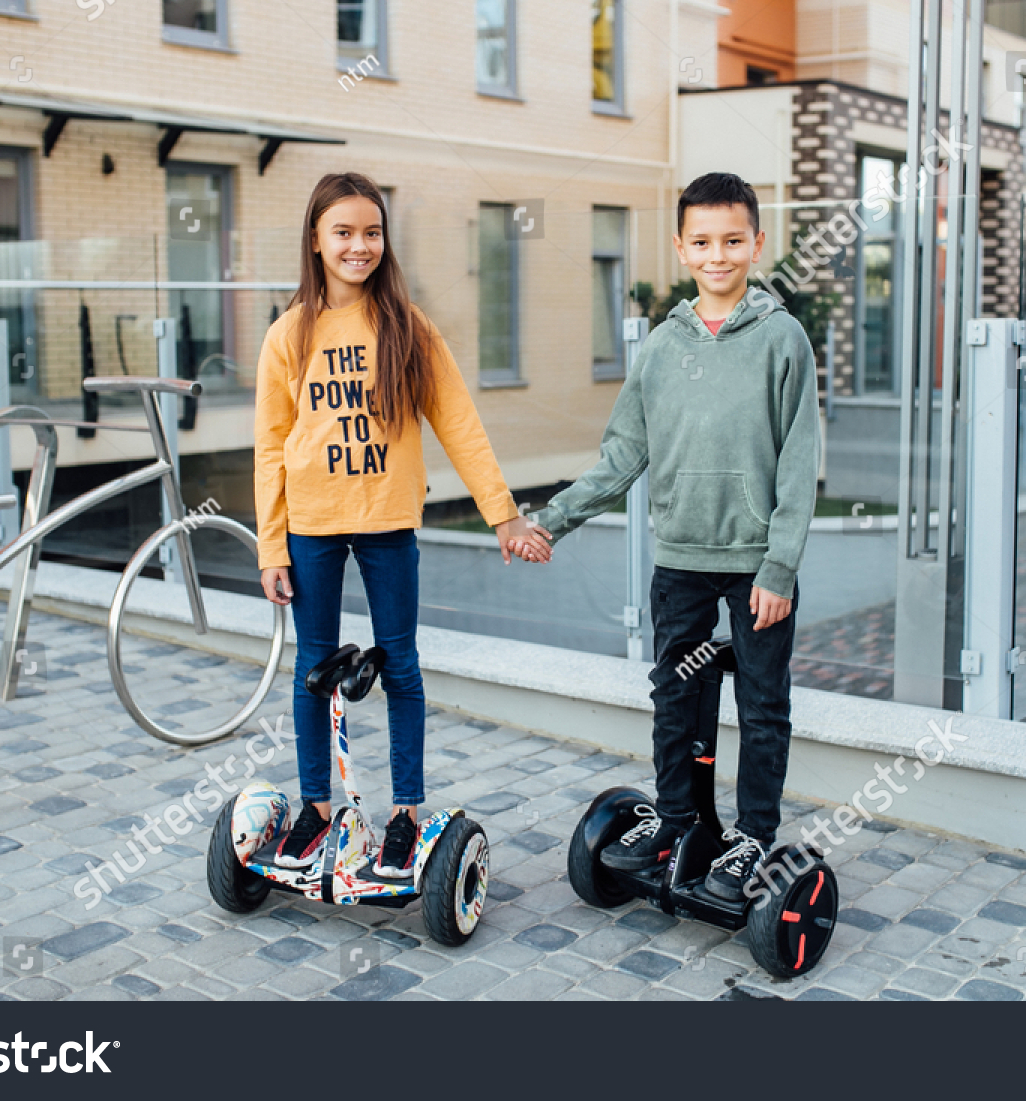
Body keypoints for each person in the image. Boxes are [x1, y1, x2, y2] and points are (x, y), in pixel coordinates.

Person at [510, 171, 820, 902]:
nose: (719, 255)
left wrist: (779, 566)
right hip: (679, 562)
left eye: (734, 240)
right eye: (704, 241)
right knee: (676, 698)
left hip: (756, 571)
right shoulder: (659, 347)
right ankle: (678, 817)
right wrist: (547, 521)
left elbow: (801, 465)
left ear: (756, 243)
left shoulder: (782, 339)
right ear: (681, 247)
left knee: (762, 705)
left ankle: (753, 838)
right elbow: (621, 458)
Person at [255, 172, 538, 878]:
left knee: (400, 664)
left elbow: (460, 425)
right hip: (311, 529)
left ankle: (405, 812)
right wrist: (270, 543)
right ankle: (316, 807)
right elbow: (268, 446)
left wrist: (502, 514)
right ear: (316, 242)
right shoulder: (289, 334)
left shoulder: (410, 328)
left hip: (387, 523)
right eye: (342, 232)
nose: (359, 245)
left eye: (371, 232)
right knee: (313, 672)